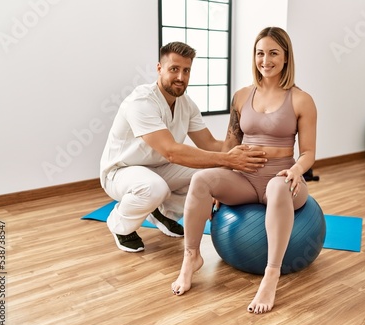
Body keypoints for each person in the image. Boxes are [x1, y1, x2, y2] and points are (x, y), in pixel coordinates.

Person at [171, 27, 317, 314]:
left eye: (273, 53)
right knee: (201, 179)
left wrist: (297, 170)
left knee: (277, 186)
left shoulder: (301, 100)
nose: (266, 60)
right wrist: (218, 185)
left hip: (283, 180)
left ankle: (271, 274)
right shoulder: (240, 97)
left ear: (286, 57)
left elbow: (309, 152)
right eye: (260, 53)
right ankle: (191, 258)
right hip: (245, 180)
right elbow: (230, 144)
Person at [100, 41, 267, 253]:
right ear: (159, 69)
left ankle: (164, 214)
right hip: (121, 171)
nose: (181, 77)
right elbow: (171, 151)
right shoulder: (141, 102)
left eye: (186, 70)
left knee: (209, 175)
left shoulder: (186, 104)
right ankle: (119, 224)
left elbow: (210, 145)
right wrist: (228, 160)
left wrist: (246, 147)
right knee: (154, 188)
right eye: (174, 69)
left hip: (158, 168)